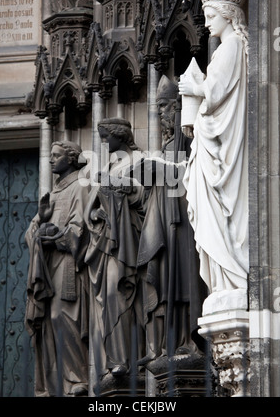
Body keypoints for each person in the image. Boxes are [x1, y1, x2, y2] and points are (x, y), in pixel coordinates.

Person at [178, 0, 249, 304]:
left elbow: (215, 90)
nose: (206, 24)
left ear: (228, 15)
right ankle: (225, 278)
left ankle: (232, 274)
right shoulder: (228, 49)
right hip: (214, 140)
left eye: (210, 17)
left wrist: (192, 86)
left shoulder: (232, 46)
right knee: (211, 208)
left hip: (222, 146)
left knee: (218, 208)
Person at [135, 76, 206, 366]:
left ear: (178, 107)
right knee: (165, 280)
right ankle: (167, 342)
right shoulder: (166, 146)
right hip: (164, 223)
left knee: (184, 278)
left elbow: (195, 173)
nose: (159, 113)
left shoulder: (190, 139)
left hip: (184, 224)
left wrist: (165, 169)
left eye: (164, 106)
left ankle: (189, 340)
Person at [25, 141, 90, 396]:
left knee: (62, 317)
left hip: (67, 265)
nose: (51, 160)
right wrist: (41, 220)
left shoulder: (80, 188)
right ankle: (52, 386)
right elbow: (28, 236)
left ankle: (76, 379)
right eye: (50, 156)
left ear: (71, 159)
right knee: (47, 327)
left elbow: (79, 230)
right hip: (46, 267)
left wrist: (54, 235)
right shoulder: (51, 195)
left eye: (56, 156)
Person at [84, 118, 145, 383]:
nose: (104, 143)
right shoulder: (109, 165)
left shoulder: (140, 161)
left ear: (121, 135)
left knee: (118, 291)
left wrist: (123, 189)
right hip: (107, 240)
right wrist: (98, 211)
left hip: (129, 240)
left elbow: (146, 198)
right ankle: (114, 360)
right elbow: (94, 207)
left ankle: (129, 358)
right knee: (108, 298)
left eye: (106, 137)